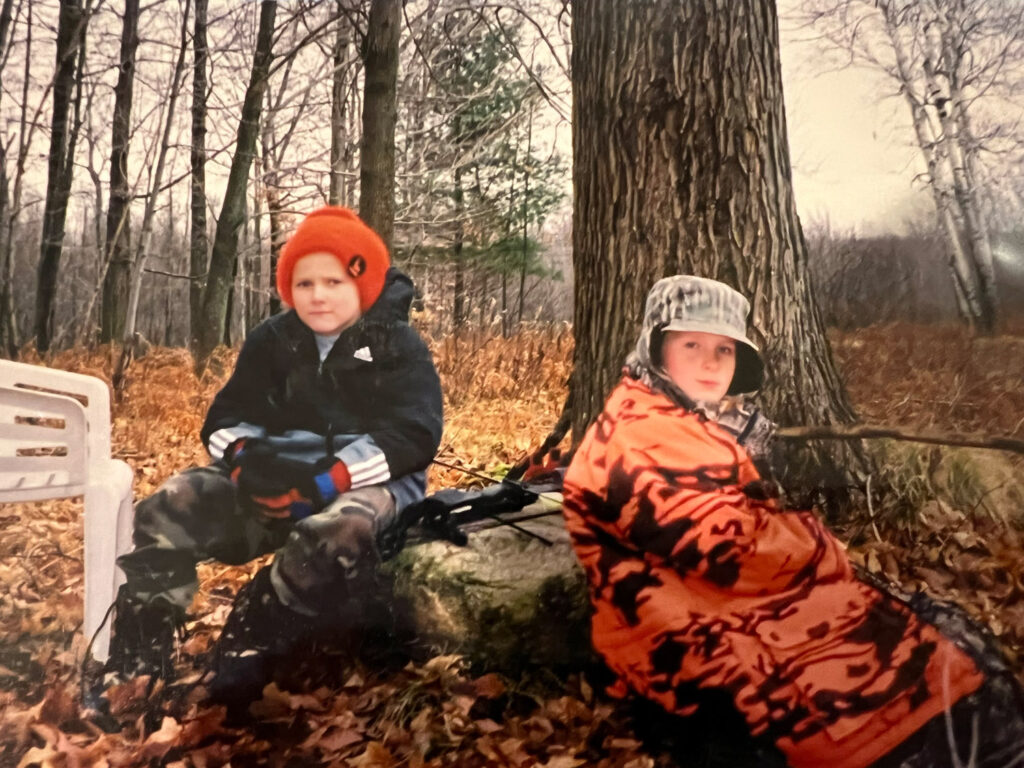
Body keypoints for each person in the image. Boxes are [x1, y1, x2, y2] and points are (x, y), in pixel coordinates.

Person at [562, 275, 1024, 768]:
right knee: (930, 683)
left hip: (716, 607)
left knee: (945, 641)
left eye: (724, 349)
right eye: (690, 344)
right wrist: (818, 542)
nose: (708, 362)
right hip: (686, 640)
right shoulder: (644, 430)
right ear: (656, 348)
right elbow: (729, 550)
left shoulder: (674, 417)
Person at [97, 206, 443, 714]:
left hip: (367, 483)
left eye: (333, 281)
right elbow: (224, 417)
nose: (318, 295)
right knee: (168, 504)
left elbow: (415, 433)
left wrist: (329, 480)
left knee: (340, 528)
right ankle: (142, 648)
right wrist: (244, 461)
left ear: (363, 283)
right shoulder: (273, 339)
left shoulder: (397, 344)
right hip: (271, 479)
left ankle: (253, 639)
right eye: (304, 283)